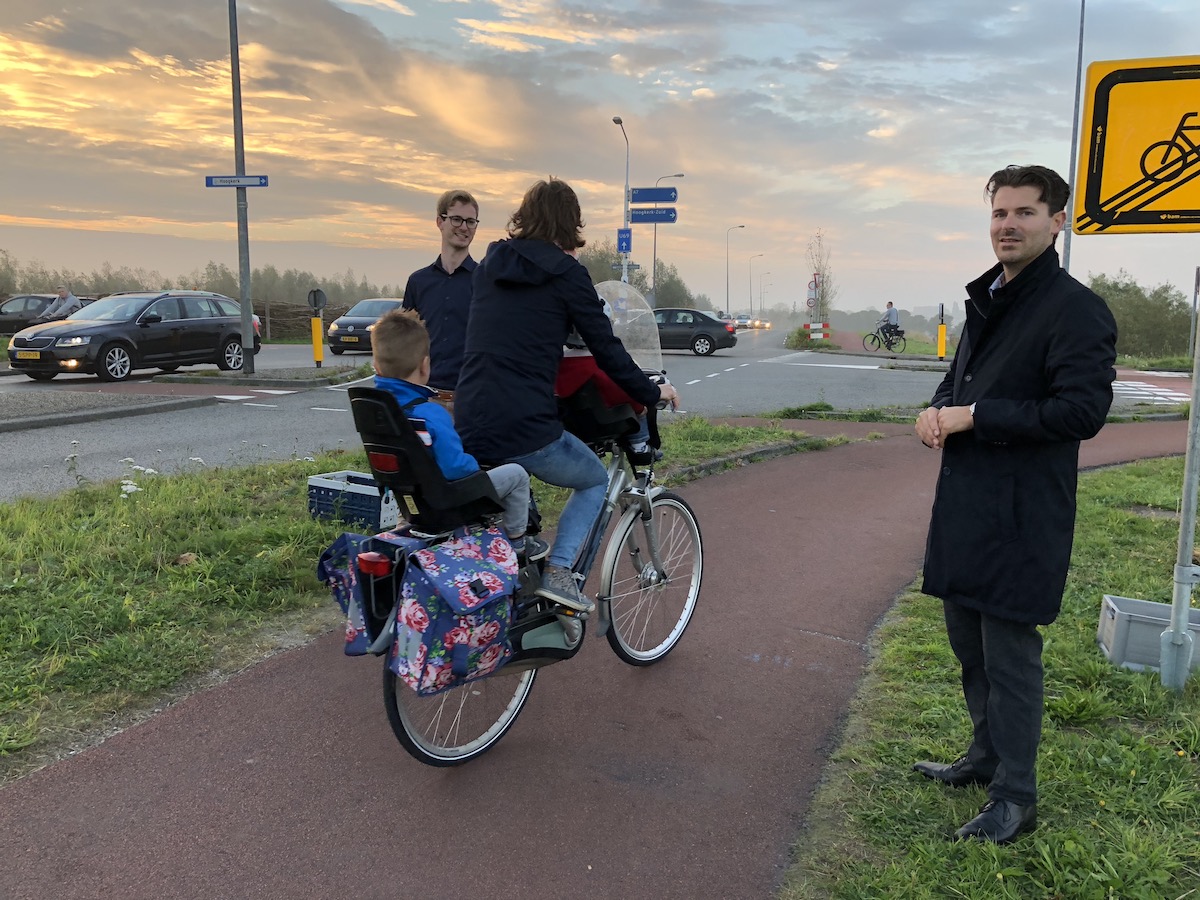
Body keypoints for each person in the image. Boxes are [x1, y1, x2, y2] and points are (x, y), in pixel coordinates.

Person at [913, 165, 1117, 844]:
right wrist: (938, 410)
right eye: (1000, 212)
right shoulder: (988, 296)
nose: (1008, 224)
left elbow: (1081, 411)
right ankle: (983, 757)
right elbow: (959, 382)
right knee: (967, 644)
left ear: (1059, 222)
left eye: (1025, 213)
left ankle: (1016, 798)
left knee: (1010, 655)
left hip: (1025, 512)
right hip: (966, 504)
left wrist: (976, 416)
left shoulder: (1076, 309)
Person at [454, 178, 678, 615]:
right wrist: (650, 391)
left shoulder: (489, 265)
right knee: (593, 478)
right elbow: (607, 349)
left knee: (508, 497)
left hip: (468, 416)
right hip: (523, 424)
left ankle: (515, 569)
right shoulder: (567, 273)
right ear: (571, 224)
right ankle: (559, 573)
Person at [370, 308, 547, 563]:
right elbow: (455, 468)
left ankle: (408, 536)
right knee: (517, 475)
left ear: (376, 366)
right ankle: (517, 544)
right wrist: (476, 470)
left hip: (410, 501)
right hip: (448, 500)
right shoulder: (430, 413)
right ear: (425, 365)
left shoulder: (380, 411)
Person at [401, 189, 481, 417]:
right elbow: (406, 342)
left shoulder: (485, 281)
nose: (464, 227)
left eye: (470, 221)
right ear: (440, 221)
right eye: (456, 219)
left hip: (470, 401)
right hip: (424, 400)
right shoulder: (418, 281)